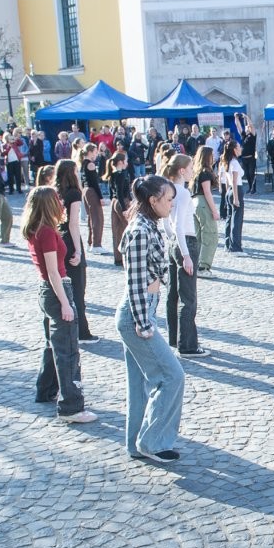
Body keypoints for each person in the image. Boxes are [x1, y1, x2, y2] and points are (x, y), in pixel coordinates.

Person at [116, 175, 185, 462]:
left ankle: (137, 444)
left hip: (142, 311)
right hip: (137, 315)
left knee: (140, 385)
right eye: (168, 199)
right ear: (153, 200)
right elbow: (134, 281)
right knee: (172, 375)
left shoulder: (149, 225)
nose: (172, 204)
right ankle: (152, 442)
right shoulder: (140, 230)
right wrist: (143, 323)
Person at [22, 186, 98, 424]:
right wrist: (65, 303)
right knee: (67, 350)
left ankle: (46, 390)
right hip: (57, 290)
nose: (62, 204)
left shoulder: (38, 229)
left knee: (52, 345)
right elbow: (53, 271)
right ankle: (71, 406)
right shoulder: (46, 232)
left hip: (47, 290)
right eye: (57, 200)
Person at [162, 153, 205, 357]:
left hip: (174, 242)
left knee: (173, 294)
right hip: (186, 241)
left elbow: (165, 220)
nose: (192, 171)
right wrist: (186, 254)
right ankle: (187, 344)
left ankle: (175, 337)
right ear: (181, 170)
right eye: (190, 168)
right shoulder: (183, 192)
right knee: (188, 297)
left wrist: (172, 240)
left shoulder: (168, 189)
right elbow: (179, 224)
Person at [55, 159, 99, 343]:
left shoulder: (55, 192)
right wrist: (78, 251)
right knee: (77, 288)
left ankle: (69, 328)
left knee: (63, 286)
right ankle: (82, 331)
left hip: (58, 238)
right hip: (69, 240)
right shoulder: (73, 193)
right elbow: (73, 224)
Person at [192, 146, 220, 275]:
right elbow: (207, 192)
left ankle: (197, 263)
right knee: (210, 234)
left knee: (199, 236)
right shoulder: (205, 172)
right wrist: (214, 211)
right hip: (203, 202)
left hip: (195, 203)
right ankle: (203, 267)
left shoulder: (196, 172)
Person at [76, 142, 107, 254]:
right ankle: (96, 244)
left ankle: (90, 242)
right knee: (97, 218)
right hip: (92, 191)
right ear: (90, 152)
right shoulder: (90, 164)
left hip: (85, 190)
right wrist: (101, 197)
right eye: (95, 151)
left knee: (91, 217)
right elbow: (95, 183)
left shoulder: (83, 163)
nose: (96, 153)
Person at [107, 150, 136, 267]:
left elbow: (111, 192)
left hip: (115, 201)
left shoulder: (113, 173)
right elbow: (120, 192)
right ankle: (128, 255)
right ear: (120, 162)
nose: (127, 163)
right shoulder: (121, 174)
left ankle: (118, 258)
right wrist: (124, 208)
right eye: (125, 161)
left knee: (117, 230)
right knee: (128, 228)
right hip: (122, 201)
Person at [220, 139, 246, 253]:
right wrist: (235, 197)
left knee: (230, 218)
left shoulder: (227, 161)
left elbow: (227, 180)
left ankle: (228, 244)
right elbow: (234, 180)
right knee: (237, 219)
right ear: (234, 149)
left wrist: (228, 193)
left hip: (230, 190)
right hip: (236, 190)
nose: (241, 149)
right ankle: (235, 246)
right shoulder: (234, 163)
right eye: (239, 147)